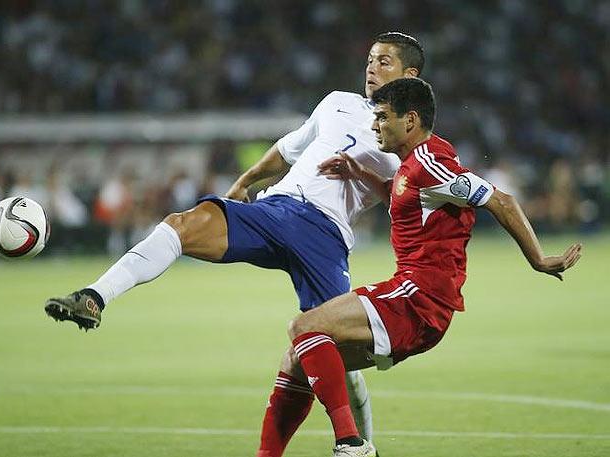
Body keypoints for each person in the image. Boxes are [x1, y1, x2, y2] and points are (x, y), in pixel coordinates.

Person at [44, 32, 425, 453]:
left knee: (331, 348)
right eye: (370, 59)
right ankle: (95, 296)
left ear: (410, 74)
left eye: (384, 61)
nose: (372, 68)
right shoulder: (337, 101)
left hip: (327, 234)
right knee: (182, 225)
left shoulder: (412, 141)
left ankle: (359, 444)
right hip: (274, 211)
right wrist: (243, 183)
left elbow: (406, 199)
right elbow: (287, 149)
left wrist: (361, 173)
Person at [270, 78, 582, 457]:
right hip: (418, 303)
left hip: (418, 297)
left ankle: (351, 444)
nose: (373, 126)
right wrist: (361, 173)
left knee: (303, 326)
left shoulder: (430, 165)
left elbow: (501, 200)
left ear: (410, 120)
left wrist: (538, 259)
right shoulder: (416, 163)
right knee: (298, 358)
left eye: (382, 118)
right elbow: (407, 195)